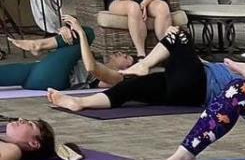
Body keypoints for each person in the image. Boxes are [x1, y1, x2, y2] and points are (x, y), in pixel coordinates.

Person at [47, 15, 235, 113]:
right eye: (120, 54)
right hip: (181, 89)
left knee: (179, 35)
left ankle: (143, 63)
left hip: (200, 84)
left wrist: (80, 32)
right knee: (129, 87)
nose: (121, 53)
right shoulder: (124, 76)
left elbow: (92, 68)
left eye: (125, 54)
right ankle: (80, 102)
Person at [1, 24, 110, 91]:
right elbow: (70, 47)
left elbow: (92, 68)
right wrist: (64, 31)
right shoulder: (99, 58)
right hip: (35, 73)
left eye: (127, 59)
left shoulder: (115, 76)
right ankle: (39, 45)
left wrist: (80, 33)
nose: (124, 54)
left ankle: (39, 45)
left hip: (53, 78)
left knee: (87, 33)